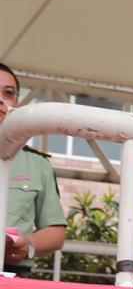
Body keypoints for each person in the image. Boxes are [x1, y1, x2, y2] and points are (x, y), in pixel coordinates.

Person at [0, 63, 67, 276]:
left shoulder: (37, 163)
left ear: (16, 102)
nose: (0, 100)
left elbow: (56, 231)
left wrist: (27, 245)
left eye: (8, 93)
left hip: (12, 274)